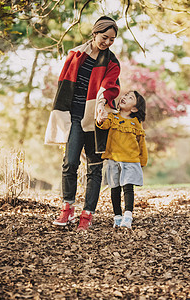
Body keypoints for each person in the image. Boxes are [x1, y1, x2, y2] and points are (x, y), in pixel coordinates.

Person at [44, 16, 120, 231]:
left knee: (94, 168)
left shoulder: (112, 62)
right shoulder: (75, 55)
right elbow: (63, 86)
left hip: (96, 119)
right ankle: (67, 208)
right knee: (70, 163)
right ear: (95, 33)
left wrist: (103, 100)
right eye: (105, 37)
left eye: (112, 39)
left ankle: (87, 214)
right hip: (74, 117)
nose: (107, 42)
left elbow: (110, 86)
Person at [96, 91, 147, 229]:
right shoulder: (113, 117)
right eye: (125, 95)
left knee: (128, 188)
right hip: (113, 159)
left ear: (135, 108)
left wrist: (142, 160)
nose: (124, 97)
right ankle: (117, 217)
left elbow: (141, 141)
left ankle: (128, 216)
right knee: (115, 189)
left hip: (130, 160)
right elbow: (103, 125)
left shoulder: (136, 123)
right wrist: (100, 119)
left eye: (130, 98)